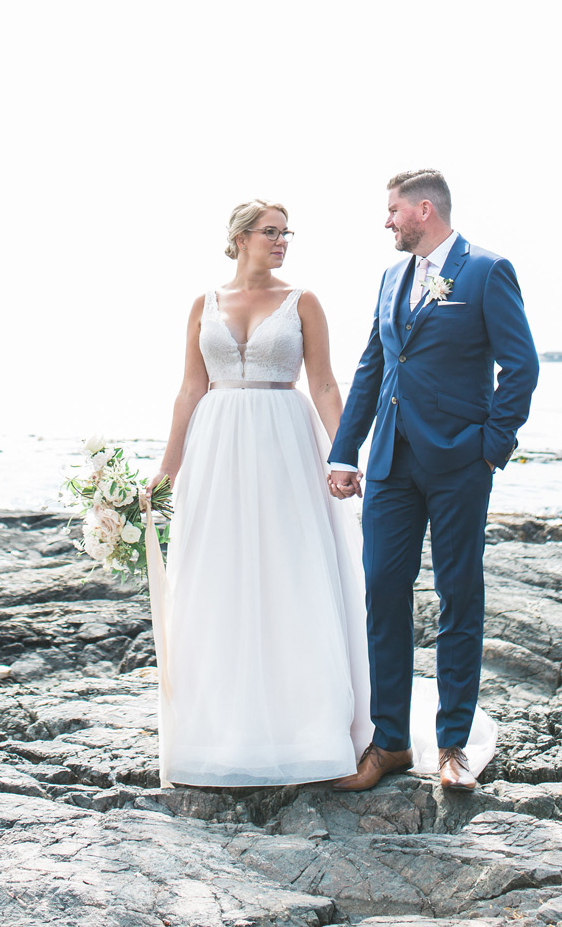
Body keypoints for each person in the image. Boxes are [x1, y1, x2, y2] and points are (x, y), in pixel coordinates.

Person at [146, 200, 370, 788]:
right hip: (216, 448)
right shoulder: (204, 304)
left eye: (286, 233)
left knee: (291, 574)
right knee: (217, 577)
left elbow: (323, 382)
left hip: (284, 444)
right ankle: (220, 732)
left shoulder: (303, 302)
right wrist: (167, 472)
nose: (282, 242)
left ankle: (307, 730)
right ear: (241, 237)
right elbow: (190, 389)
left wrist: (343, 454)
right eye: (272, 232)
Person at [327, 170, 539, 792]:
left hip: (458, 466)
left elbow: (520, 367)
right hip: (391, 465)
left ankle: (452, 746)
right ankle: (388, 741)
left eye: (393, 210)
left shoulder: (485, 271)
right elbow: (372, 368)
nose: (386, 222)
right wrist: (346, 453)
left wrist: (489, 449)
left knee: (458, 597)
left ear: (425, 210)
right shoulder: (392, 278)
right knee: (383, 594)